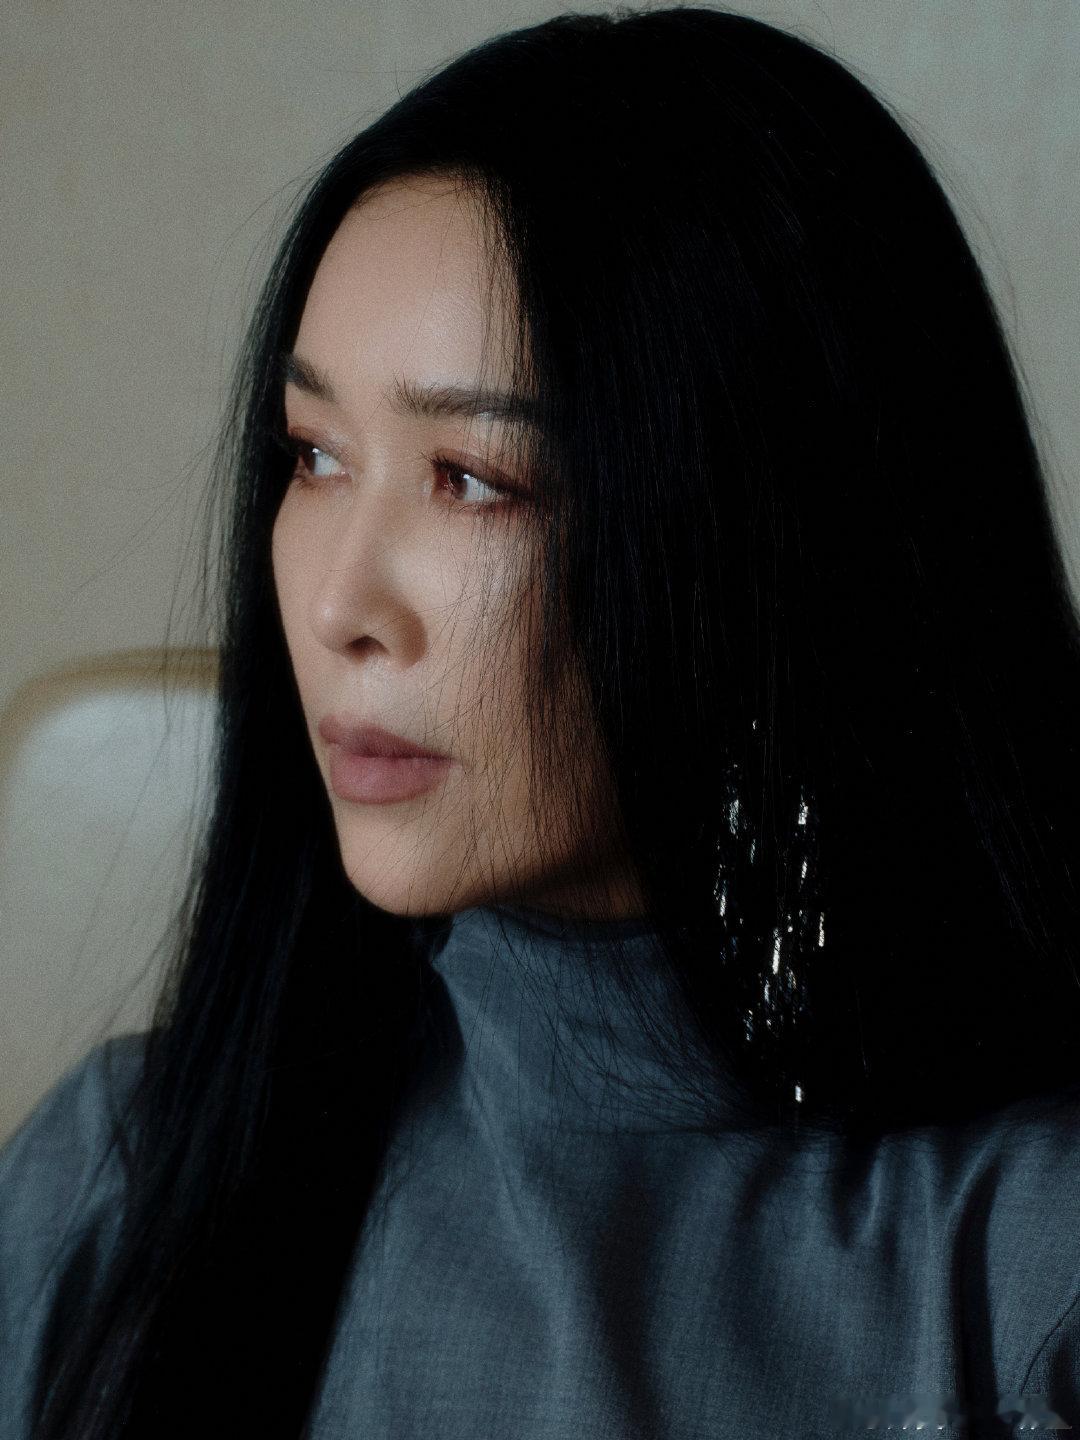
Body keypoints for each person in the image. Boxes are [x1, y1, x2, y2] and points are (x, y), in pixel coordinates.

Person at [3, 5, 1080, 1436]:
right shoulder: (120, 1176)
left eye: (472, 480)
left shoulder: (1026, 1263)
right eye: (313, 456)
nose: (337, 605)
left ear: (763, 544)